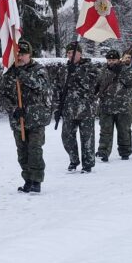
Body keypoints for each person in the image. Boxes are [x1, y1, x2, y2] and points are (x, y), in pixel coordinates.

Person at [0, 38, 51, 193]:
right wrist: (14, 108)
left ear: (30, 55)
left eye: (23, 54)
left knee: (34, 149)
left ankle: (37, 180)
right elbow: (1, 95)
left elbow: (40, 86)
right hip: (18, 120)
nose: (20, 57)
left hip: (36, 119)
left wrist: (22, 74)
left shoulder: (39, 70)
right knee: (22, 152)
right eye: (18, 54)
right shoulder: (10, 73)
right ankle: (27, 179)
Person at [55, 41, 99, 172]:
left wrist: (77, 73)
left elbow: (92, 86)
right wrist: (57, 108)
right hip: (68, 109)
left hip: (86, 109)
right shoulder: (63, 69)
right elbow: (58, 89)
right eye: (68, 53)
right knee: (67, 137)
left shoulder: (90, 67)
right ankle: (73, 160)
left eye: (73, 53)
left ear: (80, 53)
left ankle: (88, 164)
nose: (70, 55)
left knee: (87, 138)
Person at [96, 48, 132, 162]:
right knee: (105, 131)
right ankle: (103, 152)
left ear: (118, 60)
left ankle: (125, 152)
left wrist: (120, 72)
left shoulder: (127, 70)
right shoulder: (102, 71)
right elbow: (97, 85)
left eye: (113, 60)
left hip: (122, 106)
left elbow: (131, 83)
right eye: (109, 60)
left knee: (124, 130)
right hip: (106, 106)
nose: (111, 62)